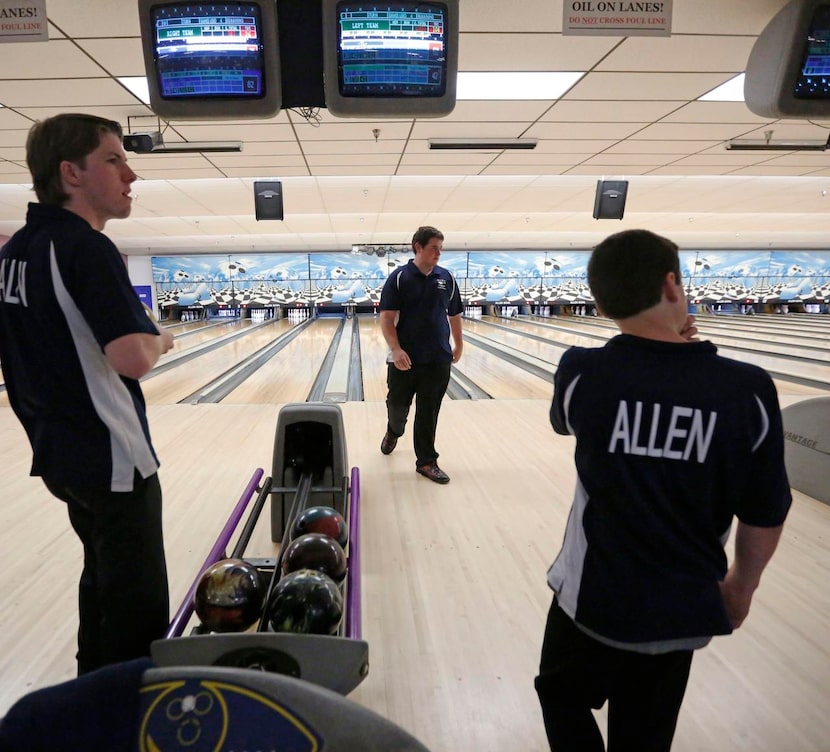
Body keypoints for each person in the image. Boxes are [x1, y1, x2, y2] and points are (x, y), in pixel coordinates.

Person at [534, 229, 791, 751]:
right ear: (673, 285)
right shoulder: (748, 390)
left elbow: (564, 422)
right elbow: (765, 511)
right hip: (681, 605)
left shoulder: (581, 374)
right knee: (645, 736)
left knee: (560, 695)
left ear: (600, 304)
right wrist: (740, 588)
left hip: (589, 599)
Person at [0, 113, 175, 674]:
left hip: (60, 455)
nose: (131, 174)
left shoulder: (17, 251)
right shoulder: (87, 248)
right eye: (114, 159)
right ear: (71, 173)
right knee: (137, 610)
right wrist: (161, 336)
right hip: (112, 456)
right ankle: (126, 715)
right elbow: (131, 357)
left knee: (100, 581)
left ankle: (90, 700)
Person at [378, 226, 463, 484]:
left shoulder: (446, 278)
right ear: (418, 247)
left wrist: (458, 344)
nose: (438, 253)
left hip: (438, 359)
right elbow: (386, 318)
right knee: (398, 407)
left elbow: (454, 314)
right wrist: (396, 349)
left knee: (428, 412)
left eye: (440, 248)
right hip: (404, 359)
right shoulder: (399, 278)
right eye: (433, 248)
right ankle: (394, 431)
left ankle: (427, 462)